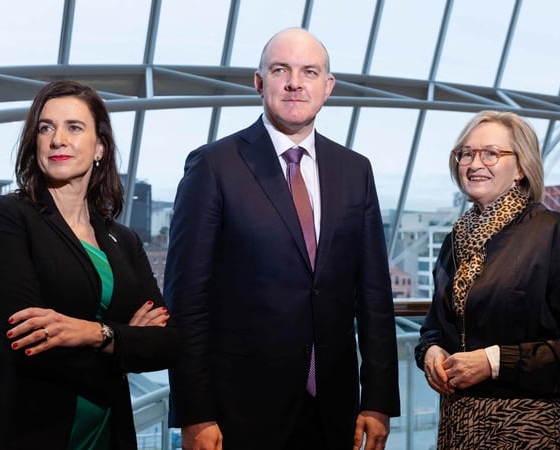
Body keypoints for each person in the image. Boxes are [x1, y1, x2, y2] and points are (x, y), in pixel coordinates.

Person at [164, 27, 400, 450]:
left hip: (336, 411)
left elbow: (375, 297)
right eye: (280, 69)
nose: (295, 82)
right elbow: (187, 301)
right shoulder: (214, 166)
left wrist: (378, 399)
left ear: (327, 87)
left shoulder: (355, 171)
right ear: (259, 82)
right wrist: (195, 412)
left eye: (309, 71)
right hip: (239, 412)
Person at [0, 80, 180, 449]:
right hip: (27, 431)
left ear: (99, 148)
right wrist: (123, 352)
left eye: (73, 127)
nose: (57, 139)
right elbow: (24, 346)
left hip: (108, 431)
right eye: (46, 128)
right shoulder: (6, 217)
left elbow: (169, 342)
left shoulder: (123, 241)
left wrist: (93, 333)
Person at [414, 110, 560, 449]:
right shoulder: (455, 239)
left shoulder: (554, 232)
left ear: (521, 167)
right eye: (466, 153)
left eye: (491, 153)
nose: (474, 163)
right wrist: (431, 351)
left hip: (525, 428)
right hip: (459, 427)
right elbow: (435, 326)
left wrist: (493, 362)